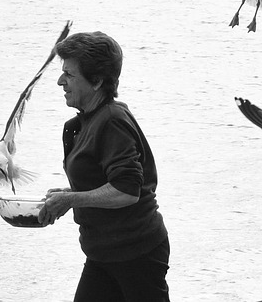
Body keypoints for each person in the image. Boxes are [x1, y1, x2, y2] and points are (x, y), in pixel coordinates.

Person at [39, 31, 170, 302]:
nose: (60, 81)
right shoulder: (89, 120)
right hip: (103, 254)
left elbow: (127, 190)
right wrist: (66, 195)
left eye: (70, 75)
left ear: (97, 81)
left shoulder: (112, 121)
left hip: (136, 252)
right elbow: (105, 180)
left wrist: (71, 199)